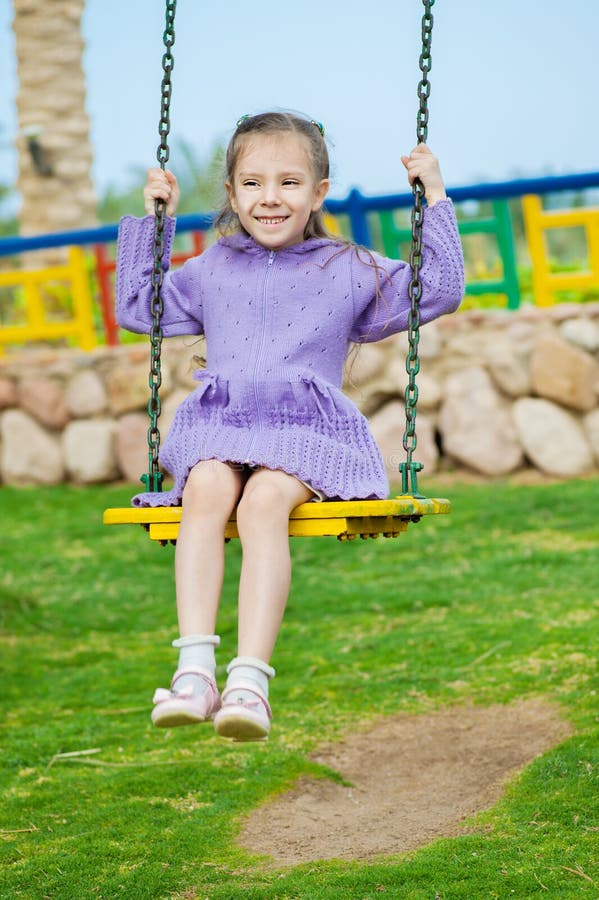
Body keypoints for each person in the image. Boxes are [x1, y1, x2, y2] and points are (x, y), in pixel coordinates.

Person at [115, 111, 464, 742]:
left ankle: (250, 681)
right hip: (225, 426)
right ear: (231, 194)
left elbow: (437, 288)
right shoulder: (212, 267)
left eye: (288, 182)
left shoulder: (348, 267)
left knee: (264, 502)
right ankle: (195, 668)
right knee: (205, 491)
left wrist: (434, 195)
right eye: (252, 183)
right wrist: (154, 224)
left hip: (305, 434)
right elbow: (138, 307)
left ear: (318, 193)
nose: (269, 198)